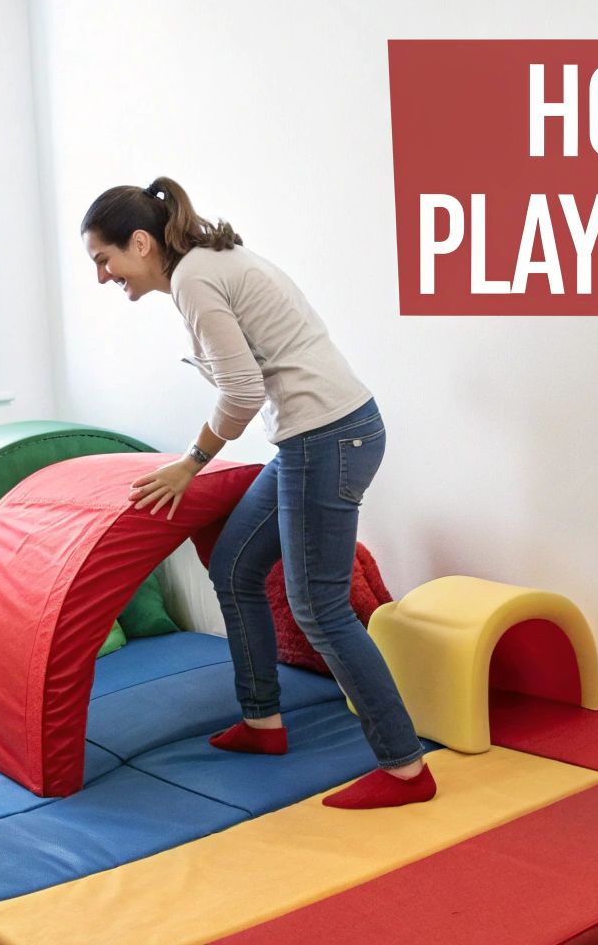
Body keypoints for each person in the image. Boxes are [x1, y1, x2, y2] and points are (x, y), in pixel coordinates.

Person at [82, 176, 433, 809]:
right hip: (316, 437)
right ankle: (262, 721)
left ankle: (406, 768)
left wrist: (190, 463)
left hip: (327, 437)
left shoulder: (195, 278)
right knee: (236, 564)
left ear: (140, 243)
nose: (103, 276)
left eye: (104, 259)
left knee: (320, 608)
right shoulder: (203, 267)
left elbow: (242, 392)